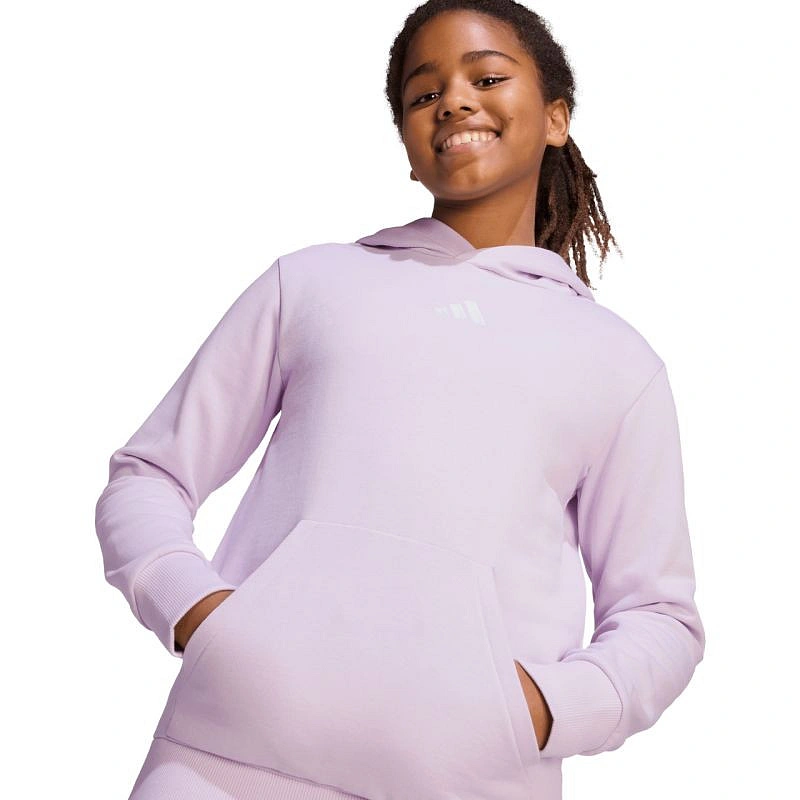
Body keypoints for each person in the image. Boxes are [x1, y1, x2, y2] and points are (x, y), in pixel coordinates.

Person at [95, 1, 706, 798]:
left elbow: (660, 617)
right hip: (225, 759)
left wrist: (539, 709)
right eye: (425, 94)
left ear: (557, 118)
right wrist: (197, 610)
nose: (454, 101)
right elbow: (150, 474)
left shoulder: (617, 362)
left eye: (487, 77)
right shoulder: (313, 284)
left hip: (468, 781)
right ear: (410, 149)